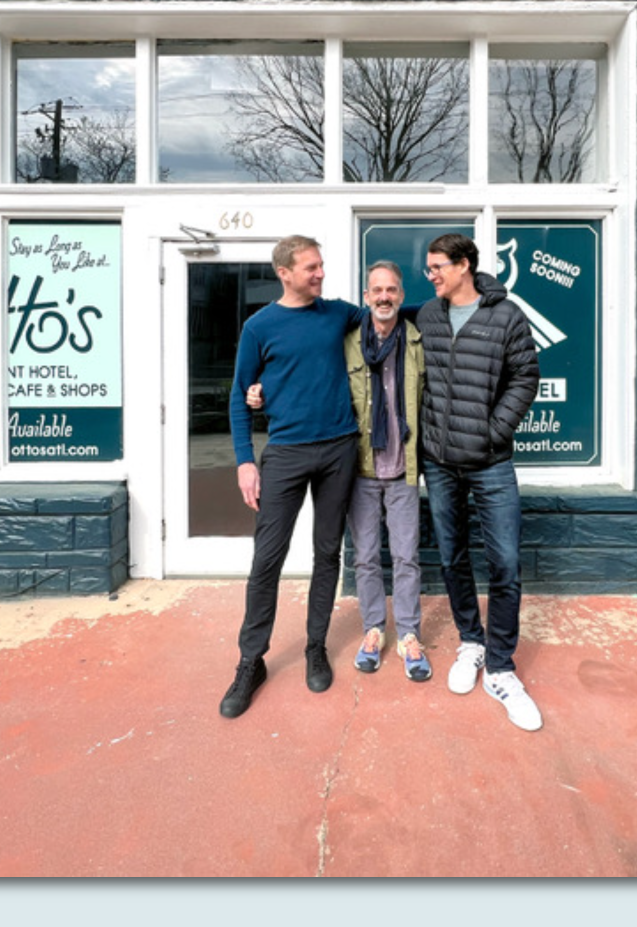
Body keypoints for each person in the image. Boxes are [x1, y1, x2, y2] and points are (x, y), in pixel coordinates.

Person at [257, 262, 432, 682]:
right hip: (359, 468)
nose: (385, 297)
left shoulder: (417, 341)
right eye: (377, 290)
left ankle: (409, 634)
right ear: (365, 296)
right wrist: (261, 390)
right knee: (366, 558)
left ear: (401, 295)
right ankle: (374, 630)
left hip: (404, 468)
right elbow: (304, 372)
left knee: (407, 558)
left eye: (392, 290)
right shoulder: (346, 341)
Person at [219, 235, 366, 720]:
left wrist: (457, 298)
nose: (320, 273)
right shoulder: (259, 327)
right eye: (311, 267)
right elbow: (240, 395)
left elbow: (389, 314)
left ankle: (315, 646)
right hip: (285, 454)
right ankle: (250, 661)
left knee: (327, 552)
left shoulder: (338, 314)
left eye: (321, 265)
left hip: (340, 447)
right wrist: (245, 461)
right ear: (284, 273)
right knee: (267, 558)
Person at [416, 233, 544, 731]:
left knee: (505, 563)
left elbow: (525, 376)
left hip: (491, 461)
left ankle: (501, 667)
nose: (431, 275)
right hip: (439, 462)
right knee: (452, 556)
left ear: (464, 265)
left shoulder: (505, 316)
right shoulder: (428, 315)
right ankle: (471, 641)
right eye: (429, 268)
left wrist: (494, 431)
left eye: (437, 267)